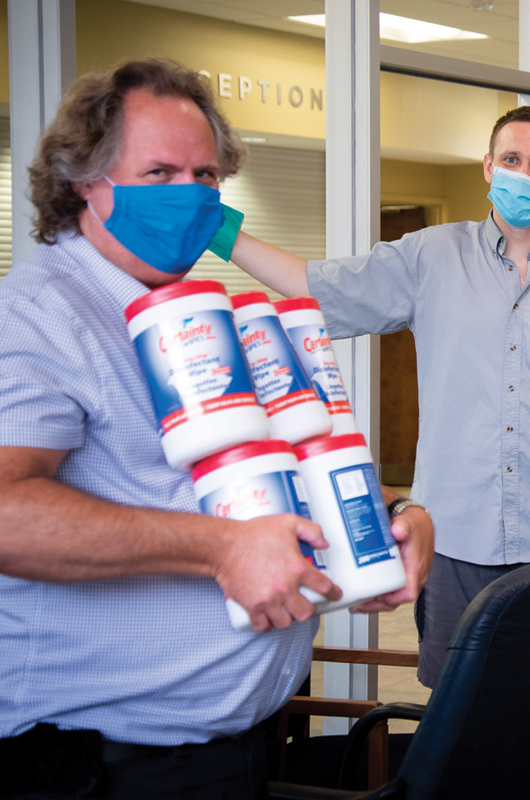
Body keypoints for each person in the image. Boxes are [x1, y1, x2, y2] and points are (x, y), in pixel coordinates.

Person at [0, 58, 432, 798]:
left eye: (205, 177)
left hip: (240, 748)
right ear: (83, 184)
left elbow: (251, 474)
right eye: (160, 173)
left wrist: (386, 518)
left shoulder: (198, 317)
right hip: (104, 768)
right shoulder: (40, 315)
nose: (189, 196)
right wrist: (218, 549)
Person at [228, 105, 530, 800]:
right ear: (488, 168)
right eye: (510, 160)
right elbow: (316, 286)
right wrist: (226, 234)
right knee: (461, 725)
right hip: (454, 539)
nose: (522, 174)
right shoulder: (428, 257)